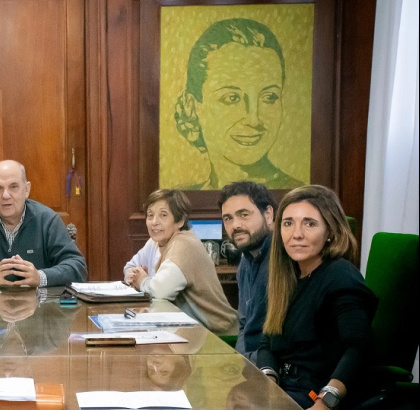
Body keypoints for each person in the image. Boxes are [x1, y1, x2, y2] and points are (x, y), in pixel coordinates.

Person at [255, 185, 377, 410]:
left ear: (330, 231)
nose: (296, 234)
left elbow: (359, 348)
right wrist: (268, 382)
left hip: (319, 394)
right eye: (288, 223)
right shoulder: (288, 277)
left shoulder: (340, 275)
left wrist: (326, 400)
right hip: (287, 389)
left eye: (309, 224)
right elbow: (267, 341)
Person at [174, 18, 304, 190]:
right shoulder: (182, 197)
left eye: (269, 97)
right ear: (193, 106)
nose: (254, 120)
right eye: (231, 98)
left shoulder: (299, 195)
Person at [124, 189, 238, 335]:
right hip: (193, 331)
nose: (154, 222)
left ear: (180, 221)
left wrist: (142, 280)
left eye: (163, 215)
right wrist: (133, 275)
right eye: (150, 215)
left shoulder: (184, 244)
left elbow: (160, 291)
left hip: (219, 334)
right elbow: (130, 267)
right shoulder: (157, 241)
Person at [219, 181, 276, 362]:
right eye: (228, 218)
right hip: (251, 365)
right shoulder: (246, 261)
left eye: (244, 215)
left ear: (268, 214)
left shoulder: (284, 260)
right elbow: (245, 326)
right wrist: (240, 363)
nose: (235, 225)